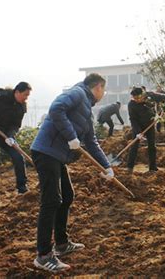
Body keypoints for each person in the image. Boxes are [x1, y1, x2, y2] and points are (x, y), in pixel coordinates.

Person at [30, 73, 114, 272]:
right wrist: (71, 136)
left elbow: (92, 142)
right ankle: (43, 256)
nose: (104, 94)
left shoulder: (87, 112)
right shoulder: (77, 93)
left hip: (57, 156)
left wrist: (107, 166)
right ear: (99, 87)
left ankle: (61, 243)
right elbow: (56, 109)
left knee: (67, 196)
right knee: (51, 200)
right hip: (46, 151)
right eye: (105, 90)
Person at [0, 82, 32, 194]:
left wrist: (11, 137)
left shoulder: (21, 107)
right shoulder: (1, 96)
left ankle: (22, 187)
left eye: (28, 95)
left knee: (18, 157)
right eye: (25, 95)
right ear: (17, 92)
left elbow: (16, 125)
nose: (26, 98)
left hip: (5, 135)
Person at [127, 87, 157, 173]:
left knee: (152, 146)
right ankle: (129, 167)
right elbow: (133, 119)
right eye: (134, 98)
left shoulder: (150, 99)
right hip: (138, 127)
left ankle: (153, 168)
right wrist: (138, 132)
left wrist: (160, 113)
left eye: (137, 98)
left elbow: (163, 99)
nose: (136, 100)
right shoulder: (131, 105)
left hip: (150, 125)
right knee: (134, 146)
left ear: (142, 95)